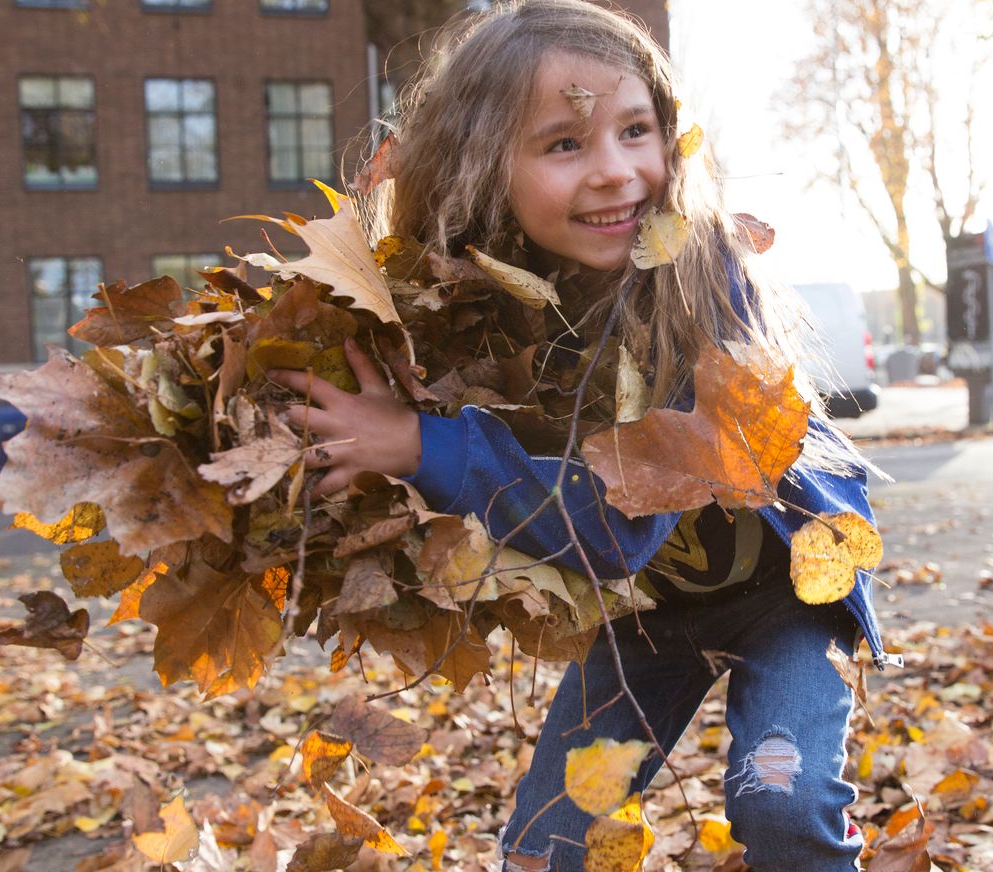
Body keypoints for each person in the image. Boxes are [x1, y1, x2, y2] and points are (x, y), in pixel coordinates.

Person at [268, 2, 896, 868]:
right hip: (648, 619)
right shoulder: (469, 305)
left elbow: (617, 527)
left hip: (786, 592)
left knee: (782, 805)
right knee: (548, 849)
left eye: (636, 130)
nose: (616, 172)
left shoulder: (700, 284)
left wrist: (419, 446)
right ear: (481, 167)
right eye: (564, 143)